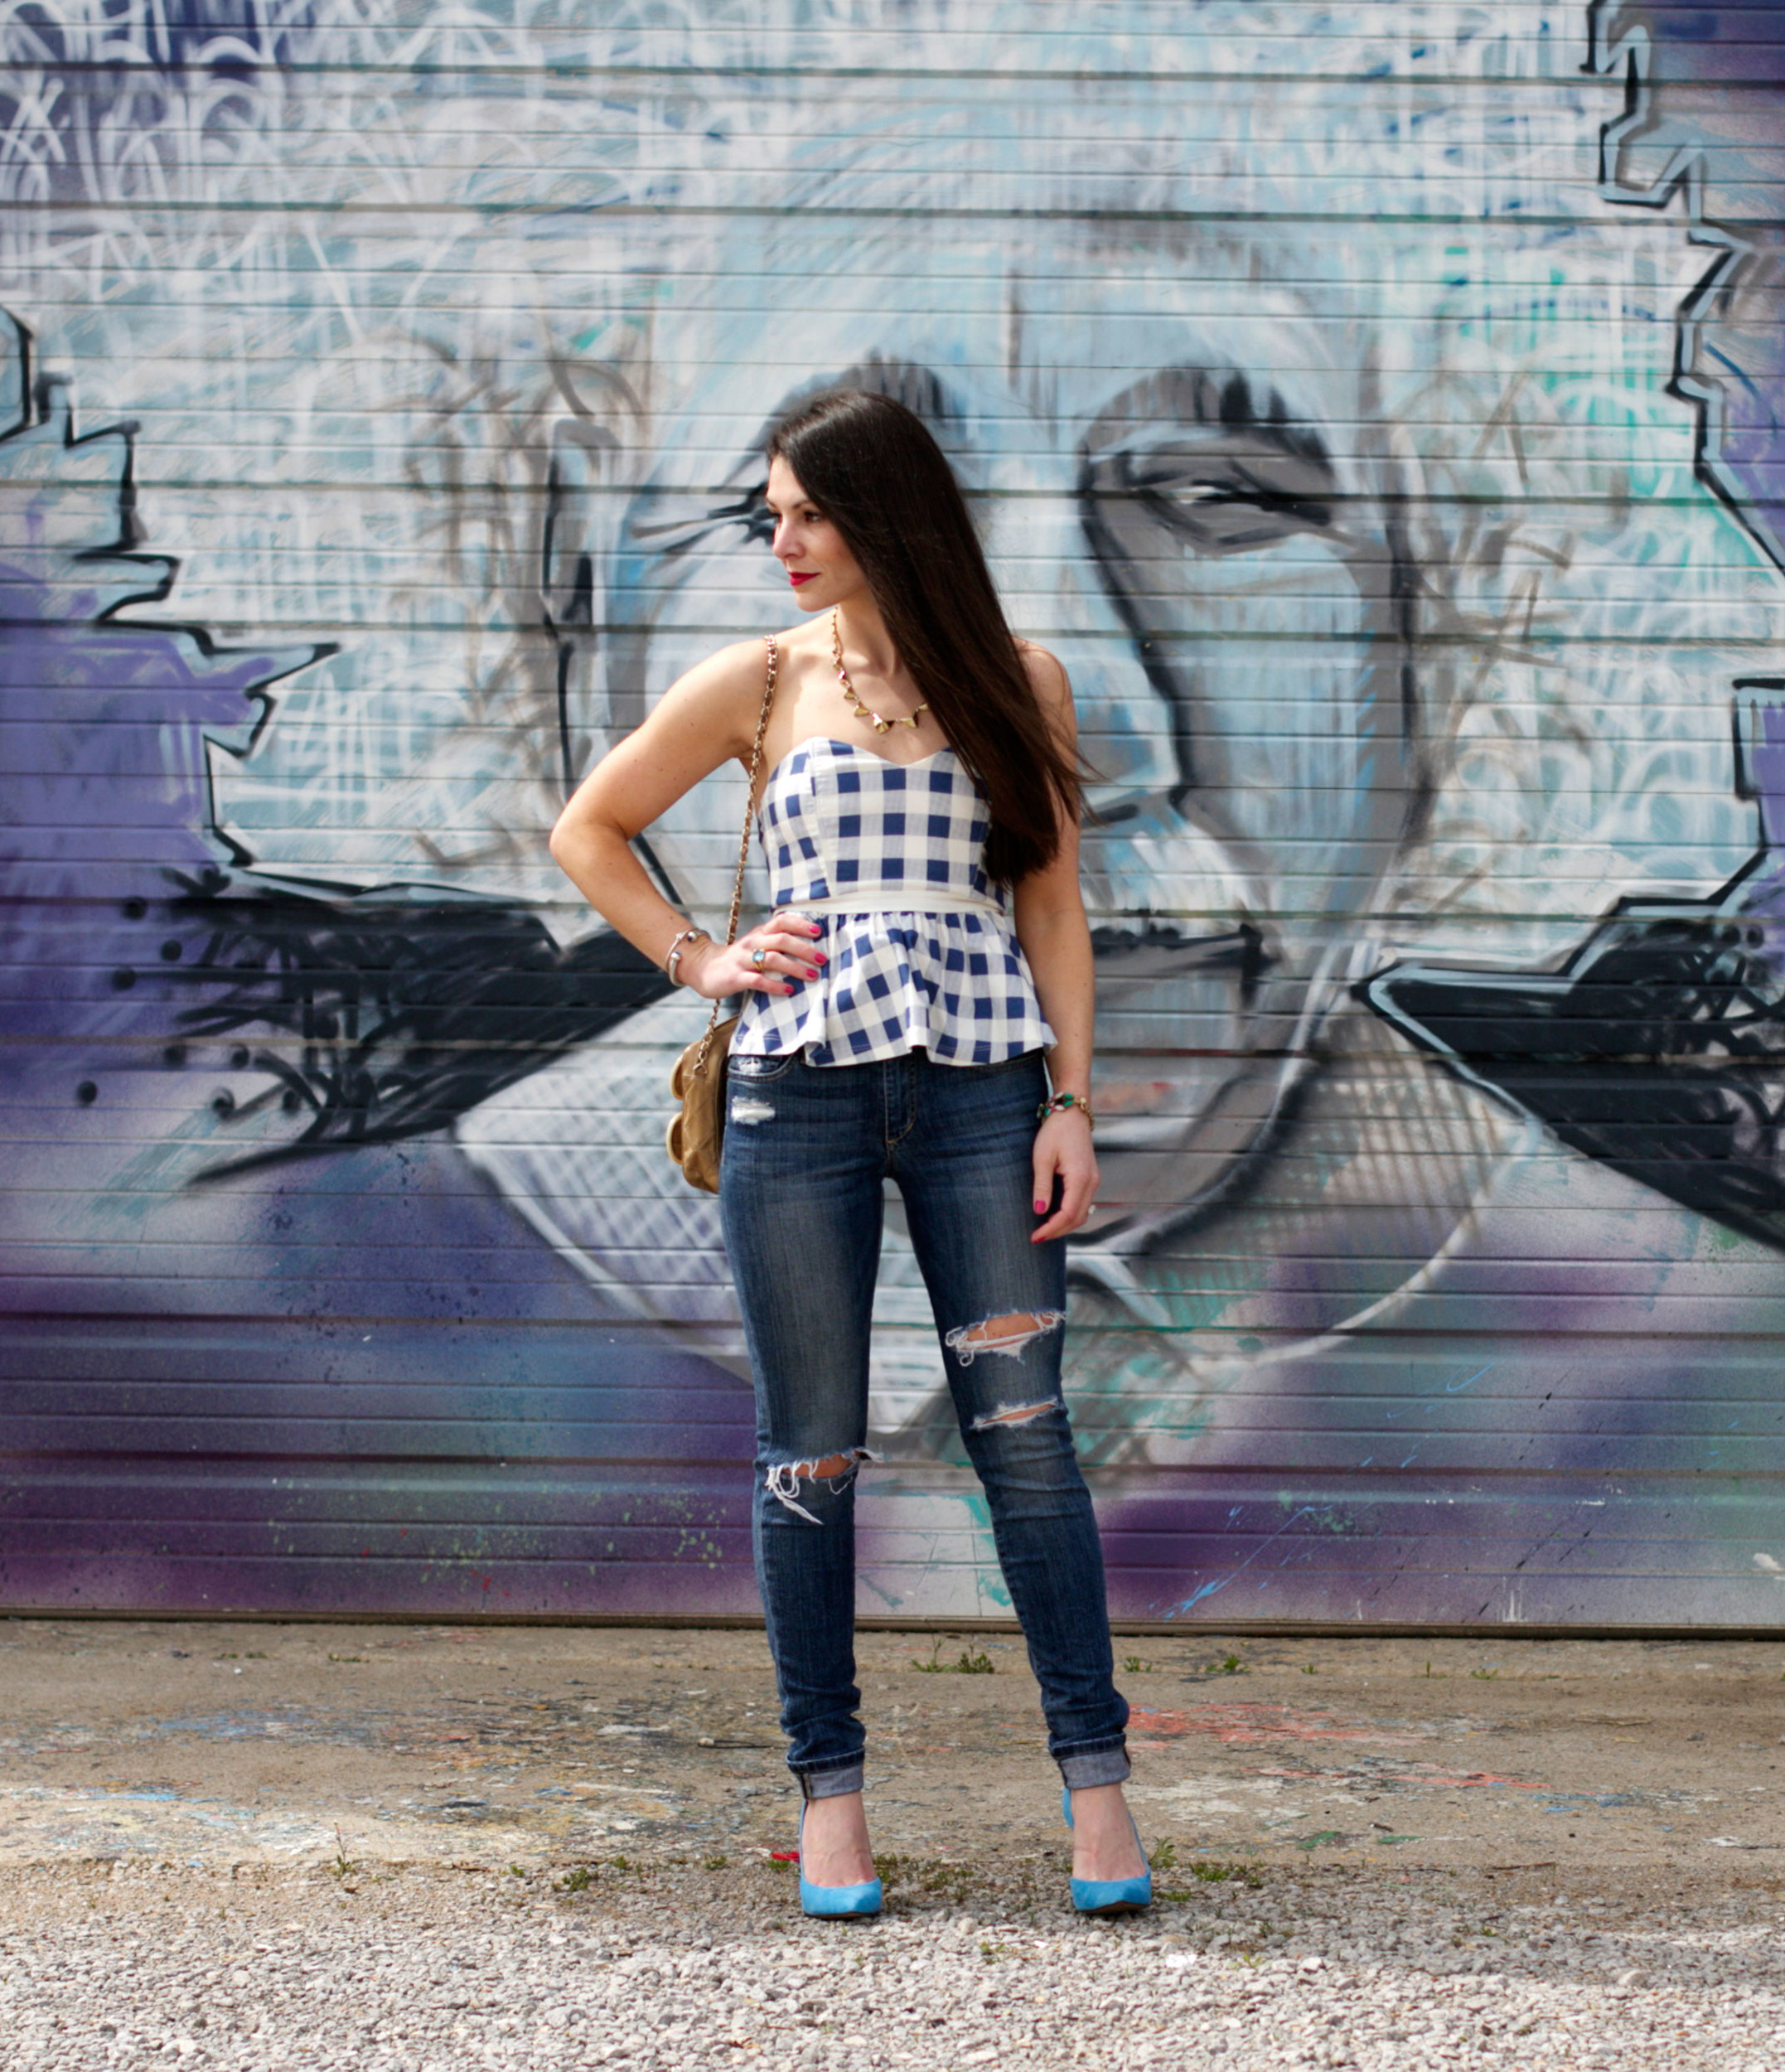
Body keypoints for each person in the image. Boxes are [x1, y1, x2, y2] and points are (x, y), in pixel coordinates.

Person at [548, 388, 1149, 1920]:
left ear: (889, 516)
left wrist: (1069, 1101)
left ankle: (1098, 1795)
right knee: (809, 1453)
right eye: (774, 514)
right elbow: (590, 829)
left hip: (981, 1094)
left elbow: (1053, 911)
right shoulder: (759, 679)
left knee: (1027, 1438)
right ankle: (831, 1804)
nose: (784, 541)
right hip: (797, 1094)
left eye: (809, 513)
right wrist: (702, 960)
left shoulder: (1022, 679)